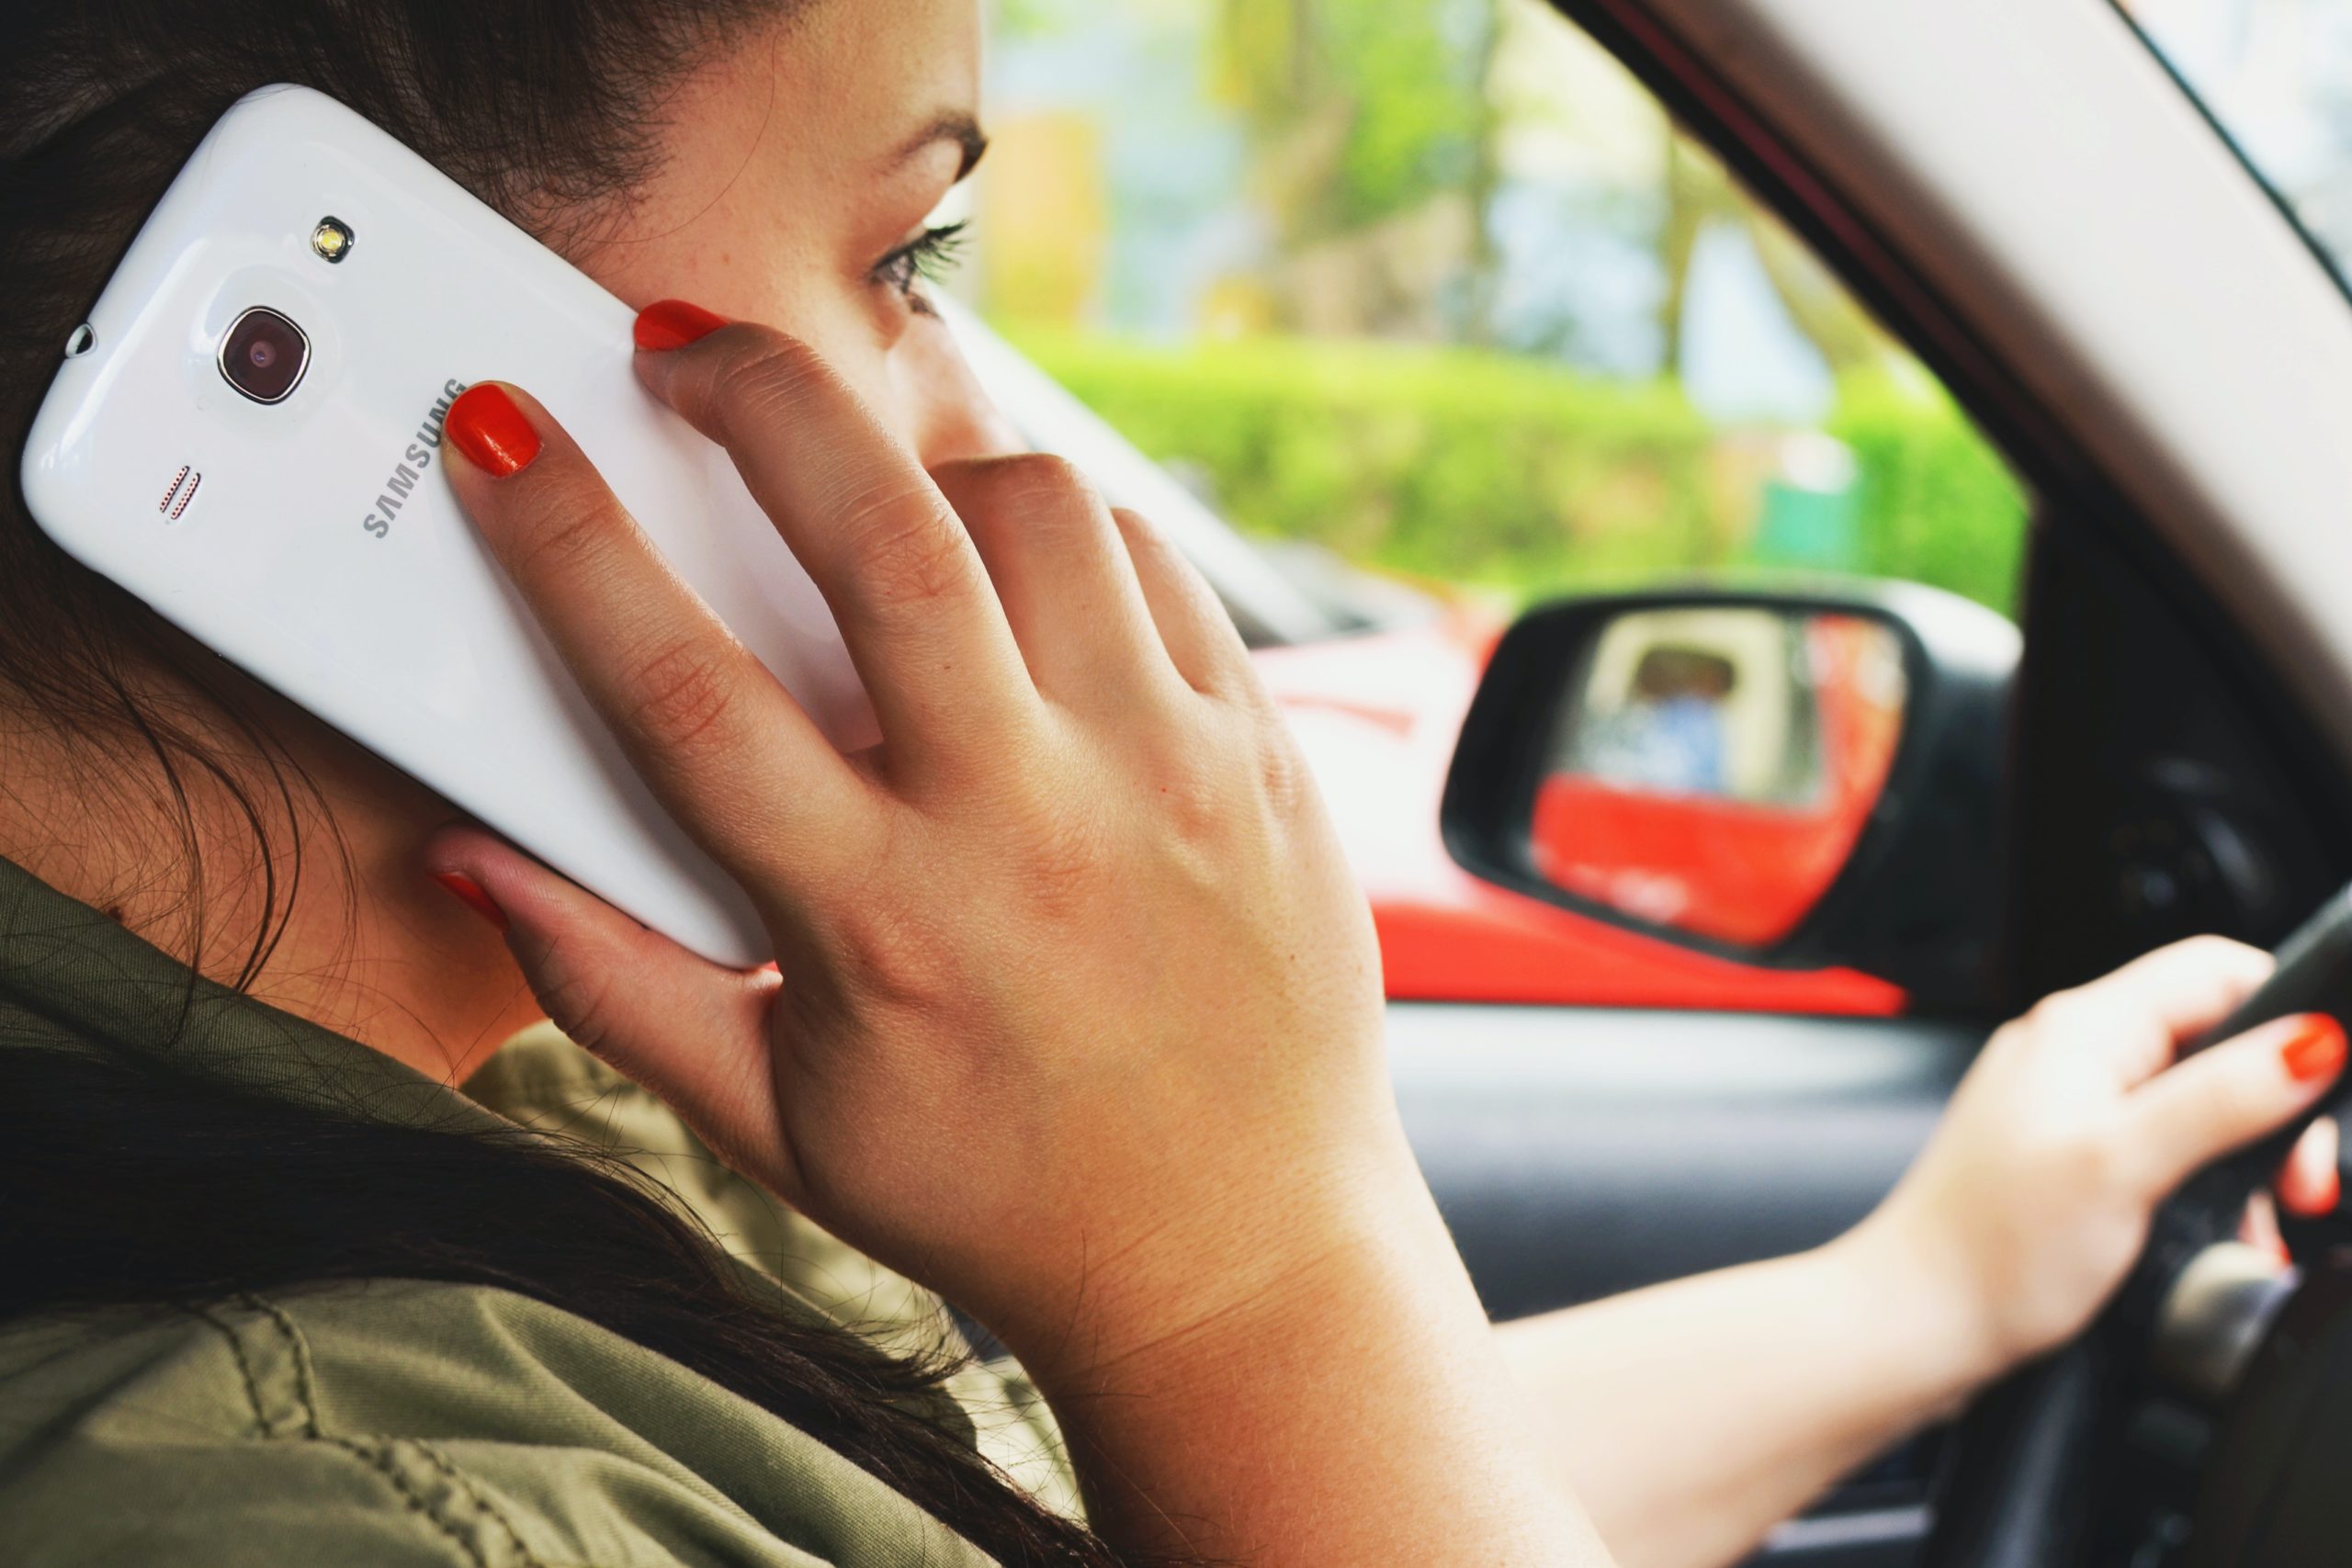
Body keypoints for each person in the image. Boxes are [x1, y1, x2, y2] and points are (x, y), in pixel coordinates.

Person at [0, 5, 2342, 1566]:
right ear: (397, 333)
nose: (998, 443)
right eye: (904, 249)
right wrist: (1245, 1254)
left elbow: (1239, 1486)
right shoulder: (326, 1501)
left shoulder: (526, 1080)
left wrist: (1919, 1287)